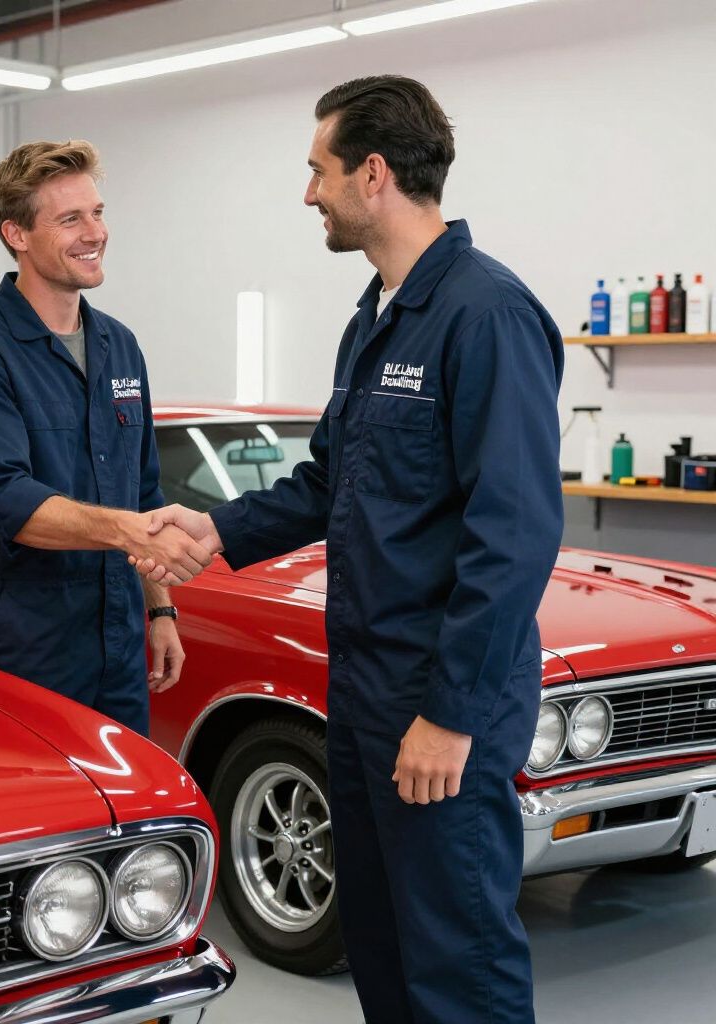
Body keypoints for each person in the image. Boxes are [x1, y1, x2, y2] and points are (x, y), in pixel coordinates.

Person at [133, 77, 563, 1023]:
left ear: (373, 175)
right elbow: (333, 484)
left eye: (317, 170)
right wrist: (216, 530)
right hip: (362, 693)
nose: (308, 193)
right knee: (380, 940)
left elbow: (516, 535)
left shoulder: (486, 315)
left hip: (438, 699)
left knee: (458, 955)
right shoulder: (374, 319)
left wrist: (450, 716)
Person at [0, 140, 211, 737]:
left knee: (127, 813)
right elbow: (3, 502)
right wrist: (127, 531)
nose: (95, 232)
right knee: (30, 813)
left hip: (120, 638)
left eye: (99, 212)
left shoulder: (120, 346)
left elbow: (145, 492)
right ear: (17, 234)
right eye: (70, 218)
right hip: (26, 642)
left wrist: (160, 609)